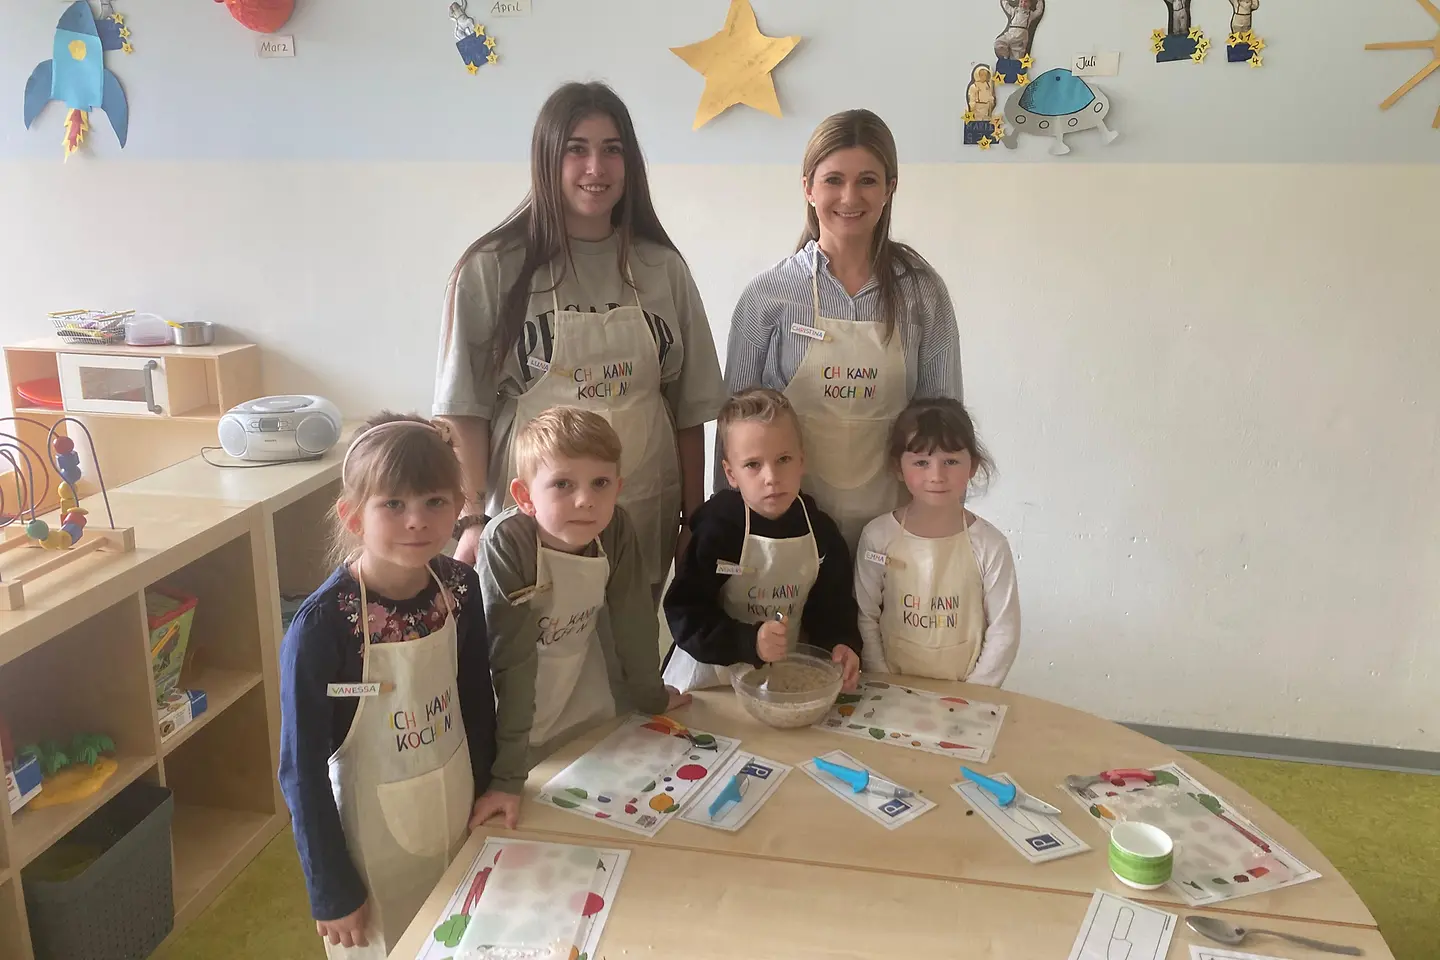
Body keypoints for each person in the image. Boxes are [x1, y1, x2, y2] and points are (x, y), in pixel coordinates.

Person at [434, 81, 727, 603]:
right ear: (547, 159)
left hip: (643, 508)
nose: (597, 168)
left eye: (612, 150)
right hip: (532, 520)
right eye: (577, 149)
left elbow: (689, 410)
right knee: (535, 662)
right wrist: (472, 518)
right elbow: (465, 410)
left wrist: (692, 517)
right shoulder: (491, 269)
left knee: (630, 656)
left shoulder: (662, 268)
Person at [278, 414, 496, 958]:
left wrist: (492, 789)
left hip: (459, 812)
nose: (417, 521)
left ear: (458, 505)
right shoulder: (324, 624)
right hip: (369, 843)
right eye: (393, 505)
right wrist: (330, 888)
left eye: (435, 502)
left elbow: (475, 701)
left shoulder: (461, 588)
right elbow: (299, 766)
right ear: (352, 515)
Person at [721, 109, 964, 554]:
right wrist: (724, 528)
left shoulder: (923, 294)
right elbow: (733, 429)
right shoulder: (768, 295)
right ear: (808, 188)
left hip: (895, 529)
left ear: (891, 187)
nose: (849, 197)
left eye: (868, 180)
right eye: (833, 179)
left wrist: (943, 532)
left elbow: (944, 427)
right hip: (789, 528)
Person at [469, 406, 691, 830]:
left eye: (600, 483)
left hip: (582, 689)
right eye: (563, 484)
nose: (586, 499)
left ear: (618, 488)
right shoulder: (506, 545)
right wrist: (506, 778)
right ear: (524, 496)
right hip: (511, 708)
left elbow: (635, 623)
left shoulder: (615, 529)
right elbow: (511, 663)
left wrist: (652, 697)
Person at [662, 388, 862, 693]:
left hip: (783, 680)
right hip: (711, 681)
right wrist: (749, 641)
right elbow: (686, 614)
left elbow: (833, 610)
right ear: (730, 473)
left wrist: (842, 645)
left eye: (783, 459)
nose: (771, 477)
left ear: (801, 461)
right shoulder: (717, 530)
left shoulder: (821, 532)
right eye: (753, 465)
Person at [854, 398, 1020, 685]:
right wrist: (881, 679)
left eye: (951, 461)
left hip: (966, 695)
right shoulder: (877, 537)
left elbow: (1004, 630)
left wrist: (977, 693)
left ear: (972, 466)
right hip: (889, 692)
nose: (937, 475)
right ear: (898, 467)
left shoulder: (991, 545)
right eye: (921, 462)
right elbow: (865, 616)